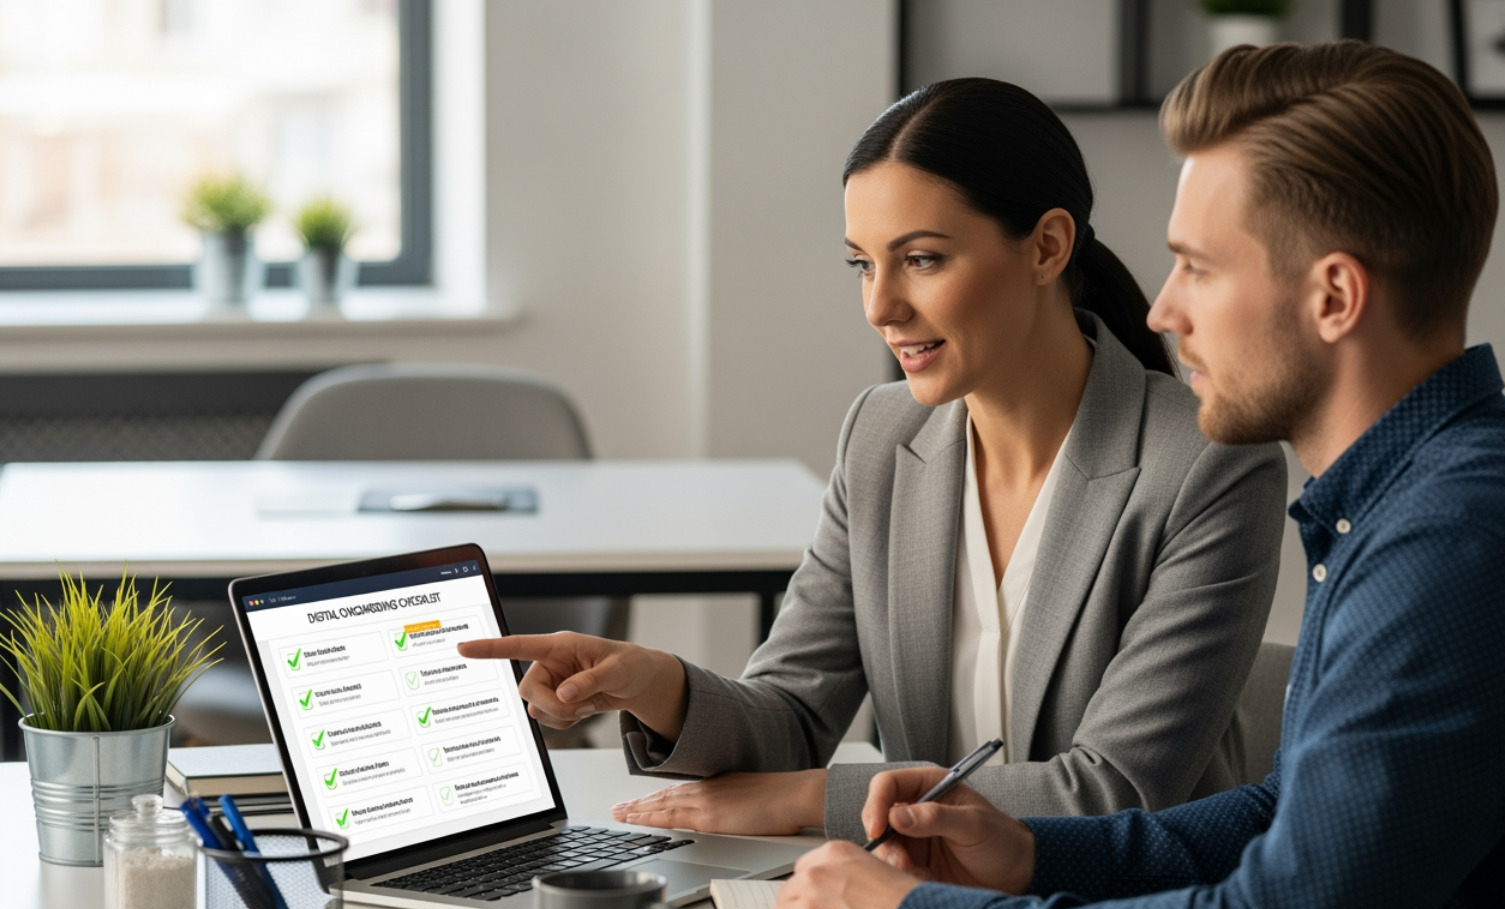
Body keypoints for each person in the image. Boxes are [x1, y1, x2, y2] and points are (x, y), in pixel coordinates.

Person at [764, 41, 1505, 909]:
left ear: (1334, 296)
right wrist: (1034, 849)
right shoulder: (1411, 498)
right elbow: (1312, 829)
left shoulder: (1455, 545)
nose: (1162, 310)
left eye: (1198, 269)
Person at [461, 78, 1287, 841]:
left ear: (1046, 247)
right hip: (927, 894)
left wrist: (810, 800)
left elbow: (1112, 794)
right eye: (863, 263)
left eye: (921, 259)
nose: (881, 306)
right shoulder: (881, 437)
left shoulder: (1207, 465)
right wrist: (653, 684)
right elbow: (793, 713)